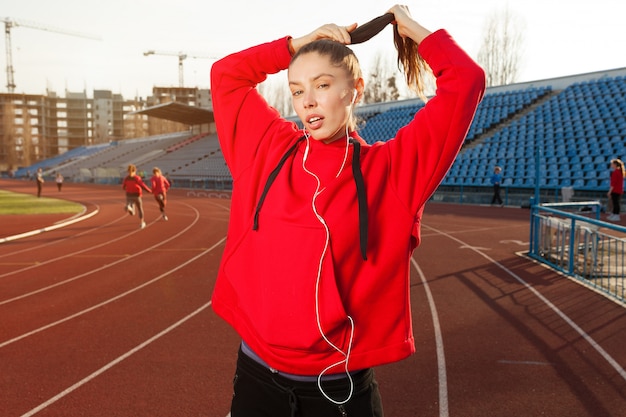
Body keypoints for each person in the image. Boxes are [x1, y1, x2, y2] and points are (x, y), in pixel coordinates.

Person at [210, 5, 485, 416]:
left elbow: (466, 81)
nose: (308, 101)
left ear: (355, 88)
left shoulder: (390, 172)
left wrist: (409, 28)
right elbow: (226, 76)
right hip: (255, 378)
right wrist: (293, 46)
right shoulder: (266, 148)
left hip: (337, 391)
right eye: (297, 90)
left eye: (322, 84)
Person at [122, 164, 151, 229]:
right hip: (137, 195)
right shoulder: (137, 178)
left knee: (132, 211)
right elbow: (142, 185)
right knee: (140, 208)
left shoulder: (126, 178)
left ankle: (130, 207)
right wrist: (149, 190)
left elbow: (123, 187)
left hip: (129, 195)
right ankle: (142, 223)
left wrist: (127, 188)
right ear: (135, 171)